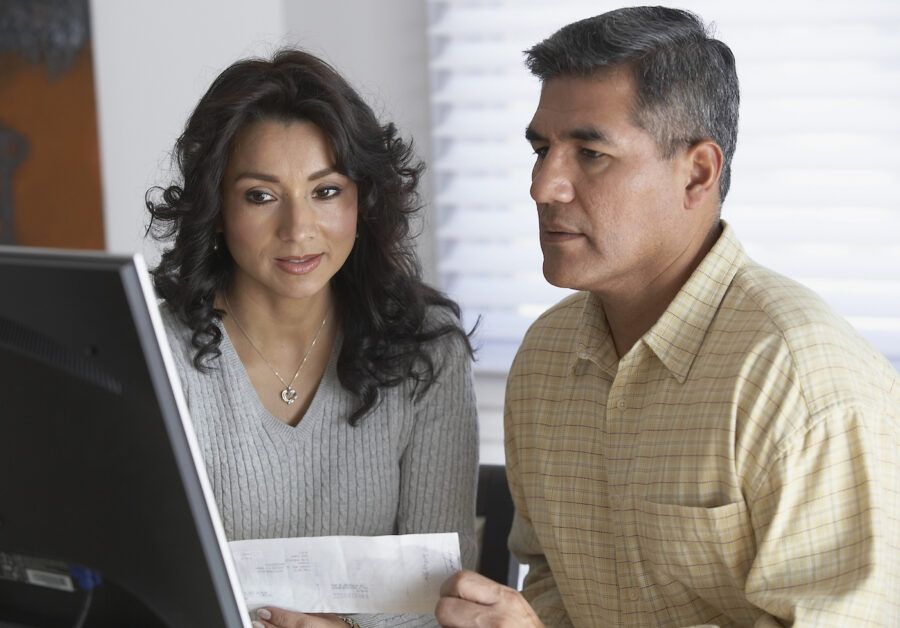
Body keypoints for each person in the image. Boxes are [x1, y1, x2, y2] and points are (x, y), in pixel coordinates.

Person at [435, 6, 899, 627]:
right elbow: (550, 581)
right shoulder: (546, 356)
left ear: (697, 173)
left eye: (591, 153)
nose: (543, 186)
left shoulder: (800, 377)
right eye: (542, 149)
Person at [147, 49, 479, 628]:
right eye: (260, 195)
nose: (298, 231)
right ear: (216, 208)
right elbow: (137, 570)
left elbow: (443, 597)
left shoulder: (427, 351)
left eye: (325, 191)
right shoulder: (159, 349)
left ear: (363, 199)